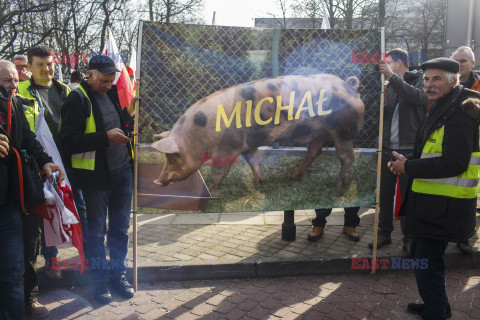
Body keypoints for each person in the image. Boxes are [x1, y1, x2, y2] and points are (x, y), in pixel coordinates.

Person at [389, 57, 480, 320]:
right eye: (427, 79)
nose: (429, 84)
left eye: (436, 79)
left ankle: (437, 313)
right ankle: (437, 305)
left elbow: (455, 163)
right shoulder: (442, 104)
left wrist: (409, 168)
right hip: (433, 201)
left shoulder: (460, 112)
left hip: (442, 205)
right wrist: (403, 165)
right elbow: (431, 153)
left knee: (427, 262)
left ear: (453, 81)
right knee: (426, 258)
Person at [60, 55, 138, 304]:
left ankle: (118, 276)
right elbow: (68, 142)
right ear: (90, 74)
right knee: (95, 234)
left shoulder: (113, 92)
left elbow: (119, 124)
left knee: (119, 230)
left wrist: (130, 116)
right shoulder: (77, 99)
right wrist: (105, 137)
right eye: (104, 80)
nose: (108, 85)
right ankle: (99, 282)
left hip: (123, 172)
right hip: (96, 181)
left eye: (111, 80)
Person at [0, 67, 65, 319]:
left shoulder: (14, 105)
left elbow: (27, 138)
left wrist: (46, 161)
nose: (13, 85)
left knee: (14, 270)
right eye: (7, 81)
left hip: (10, 204)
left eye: (17, 80)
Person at [17, 45, 86, 282]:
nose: (47, 69)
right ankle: (51, 259)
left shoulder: (64, 89)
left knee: (76, 206)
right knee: (46, 211)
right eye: (40, 65)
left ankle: (84, 255)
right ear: (29, 68)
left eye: (50, 64)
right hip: (39, 161)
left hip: (66, 160)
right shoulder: (21, 91)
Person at [369, 48, 428, 253]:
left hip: (409, 149)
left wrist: (392, 77)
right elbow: (388, 113)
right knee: (384, 194)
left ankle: (409, 237)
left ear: (400, 62)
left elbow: (417, 98)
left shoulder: (418, 79)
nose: (384, 65)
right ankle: (384, 233)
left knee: (408, 197)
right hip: (387, 148)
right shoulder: (391, 84)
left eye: (388, 61)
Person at [452, 46, 480, 254]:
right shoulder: (445, 85)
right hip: (449, 146)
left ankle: (464, 237)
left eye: (463, 61)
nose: (459, 65)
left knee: (468, 193)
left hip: (475, 147)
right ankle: (446, 233)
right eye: (456, 61)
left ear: (473, 63)